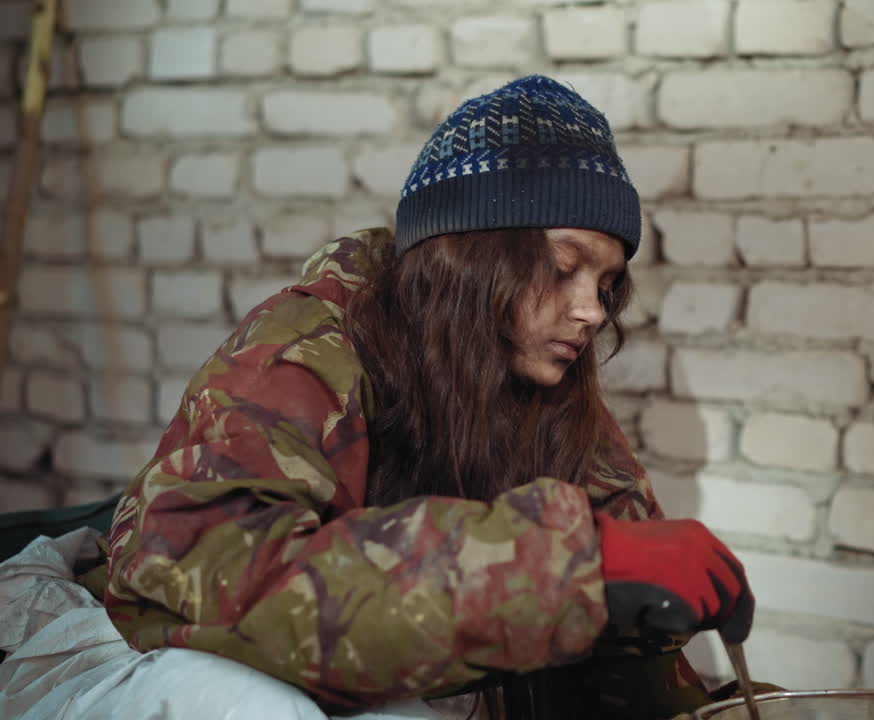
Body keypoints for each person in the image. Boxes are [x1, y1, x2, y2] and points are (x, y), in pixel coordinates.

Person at [1, 76, 758, 720]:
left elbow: (622, 660)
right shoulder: (308, 341)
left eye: (606, 284)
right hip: (141, 654)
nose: (592, 310)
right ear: (474, 258)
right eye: (564, 267)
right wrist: (571, 566)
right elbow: (211, 576)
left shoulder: (552, 398)